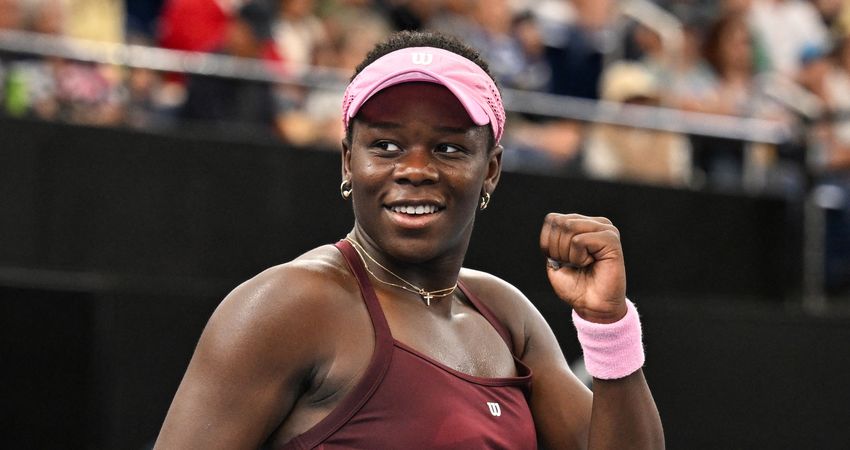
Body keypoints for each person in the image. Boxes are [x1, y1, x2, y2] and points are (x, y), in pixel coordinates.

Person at [154, 30, 664, 449]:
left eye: (447, 147)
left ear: (490, 171)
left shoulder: (506, 314)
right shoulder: (285, 307)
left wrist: (607, 325)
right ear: (348, 160)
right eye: (386, 145)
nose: (415, 169)